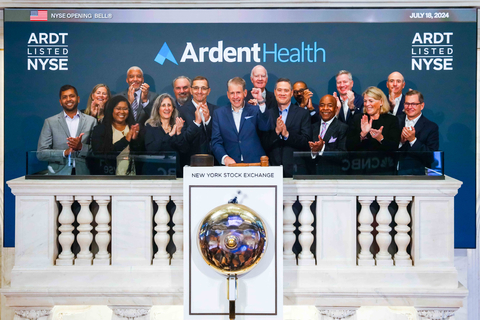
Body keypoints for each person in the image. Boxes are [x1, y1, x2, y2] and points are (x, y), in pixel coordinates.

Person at [211, 77, 272, 165]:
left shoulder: (255, 110)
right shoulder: (219, 114)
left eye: (238, 92)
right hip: (231, 166)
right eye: (232, 93)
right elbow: (216, 142)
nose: (235, 97)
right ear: (228, 95)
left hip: (256, 164)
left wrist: (261, 102)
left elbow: (266, 127)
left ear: (245, 93)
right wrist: (225, 158)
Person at [37, 85, 97, 175]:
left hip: (84, 174)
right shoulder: (50, 122)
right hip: (58, 174)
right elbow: (41, 153)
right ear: (60, 102)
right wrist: (64, 153)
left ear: (78, 99)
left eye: (72, 96)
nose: (68, 99)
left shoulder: (91, 121)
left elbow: (97, 151)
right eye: (64, 97)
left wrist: (81, 147)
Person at [262, 78, 311, 177]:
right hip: (272, 172)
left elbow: (307, 142)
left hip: (296, 172)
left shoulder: (302, 113)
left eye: (286, 90)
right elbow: (263, 143)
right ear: (275, 92)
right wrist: (276, 132)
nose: (282, 93)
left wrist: (287, 134)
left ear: (292, 93)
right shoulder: (267, 114)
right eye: (279, 90)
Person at [91, 95, 142, 175]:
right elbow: (99, 154)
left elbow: (141, 155)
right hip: (109, 178)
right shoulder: (100, 129)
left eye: (125, 109)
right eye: (118, 108)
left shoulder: (134, 128)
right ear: (111, 110)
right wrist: (125, 140)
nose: (122, 112)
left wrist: (135, 140)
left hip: (132, 178)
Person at [144, 94, 189, 175]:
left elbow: (184, 151)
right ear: (158, 109)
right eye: (163, 105)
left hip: (174, 172)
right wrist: (170, 134)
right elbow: (151, 150)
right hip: (154, 172)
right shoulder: (150, 126)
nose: (167, 108)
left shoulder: (178, 126)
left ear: (173, 109)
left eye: (169, 105)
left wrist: (178, 132)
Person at [178, 76, 218, 166]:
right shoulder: (180, 111)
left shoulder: (217, 111)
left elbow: (219, 138)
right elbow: (182, 142)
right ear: (191, 90)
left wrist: (208, 120)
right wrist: (196, 123)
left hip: (215, 164)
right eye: (196, 88)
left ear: (209, 91)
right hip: (190, 164)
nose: (199, 92)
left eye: (203, 88)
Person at [397, 90, 439, 175]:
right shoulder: (395, 121)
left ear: (422, 105)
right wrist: (400, 142)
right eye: (407, 104)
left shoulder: (431, 127)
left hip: (417, 176)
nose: (409, 107)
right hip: (392, 174)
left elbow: (431, 156)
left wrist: (413, 140)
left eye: (414, 104)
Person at [346, 86, 401, 151]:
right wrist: (362, 134)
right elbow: (348, 146)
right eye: (365, 101)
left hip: (383, 160)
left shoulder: (391, 120)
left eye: (371, 101)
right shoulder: (358, 118)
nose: (367, 104)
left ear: (381, 102)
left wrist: (380, 138)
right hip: (360, 160)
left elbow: (394, 147)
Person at [307, 95, 349, 175]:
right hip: (312, 176)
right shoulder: (312, 127)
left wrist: (322, 148)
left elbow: (343, 154)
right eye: (322, 105)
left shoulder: (343, 128)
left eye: (330, 106)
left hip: (333, 176)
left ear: (336, 108)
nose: (325, 108)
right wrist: (314, 151)